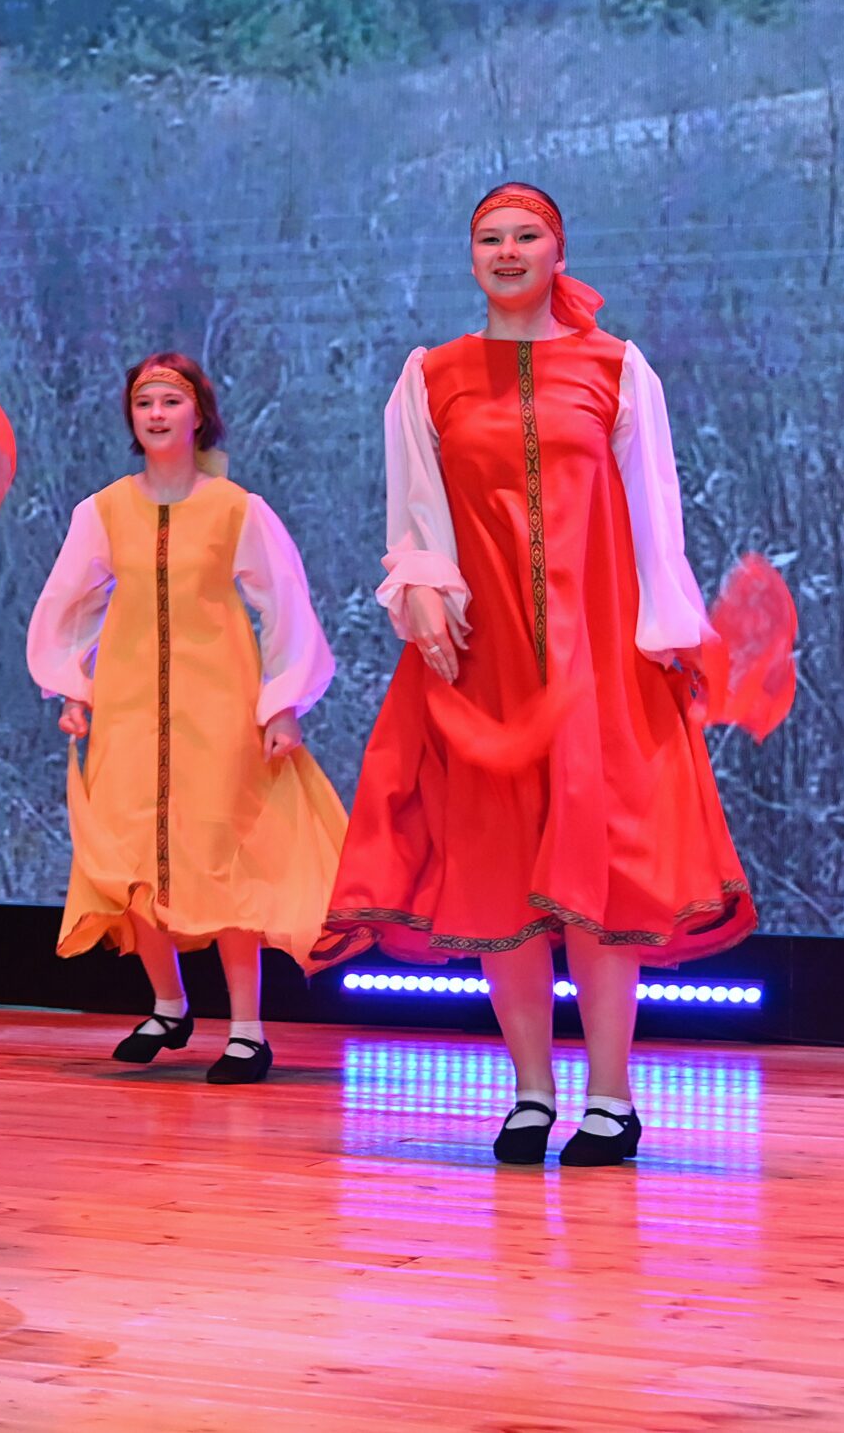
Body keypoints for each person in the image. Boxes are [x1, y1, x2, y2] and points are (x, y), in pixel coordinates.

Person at [316, 181, 755, 1167]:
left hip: (599, 653)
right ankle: (528, 1091)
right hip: (485, 661)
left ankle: (610, 1097)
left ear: (557, 252)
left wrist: (669, 633)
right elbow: (413, 513)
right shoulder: (428, 374)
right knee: (499, 874)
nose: (507, 252)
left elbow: (655, 510)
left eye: (526, 236)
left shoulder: (617, 366)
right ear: (471, 255)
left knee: (598, 870)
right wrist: (421, 590)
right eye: (490, 238)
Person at [27, 354, 343, 1083]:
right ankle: (168, 1004)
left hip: (218, 705)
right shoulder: (104, 511)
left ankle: (247, 1029)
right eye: (145, 402)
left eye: (171, 400)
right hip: (129, 705)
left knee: (221, 852)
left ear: (199, 413)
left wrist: (282, 702)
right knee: (131, 852)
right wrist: (73, 688)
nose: (157, 414)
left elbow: (284, 605)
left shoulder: (236, 509)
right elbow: (69, 602)